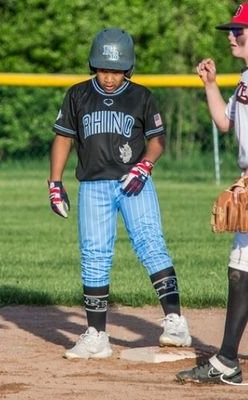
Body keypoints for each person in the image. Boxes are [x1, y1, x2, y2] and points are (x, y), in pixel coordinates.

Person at [48, 27, 191, 360]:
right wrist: (55, 183)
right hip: (93, 185)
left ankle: (175, 323)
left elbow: (157, 140)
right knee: (94, 255)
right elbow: (63, 138)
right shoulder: (77, 95)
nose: (109, 77)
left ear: (128, 69)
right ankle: (97, 335)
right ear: (93, 66)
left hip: (134, 182)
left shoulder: (140, 96)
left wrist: (145, 166)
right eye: (103, 69)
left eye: (116, 70)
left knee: (150, 243)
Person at [176, 3, 248, 385]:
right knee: (241, 269)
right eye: (232, 30)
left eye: (240, 30)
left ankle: (226, 362)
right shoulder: (244, 79)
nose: (231, 35)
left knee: (242, 269)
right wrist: (209, 85)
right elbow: (225, 122)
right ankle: (227, 360)